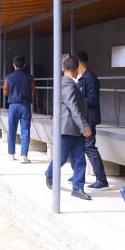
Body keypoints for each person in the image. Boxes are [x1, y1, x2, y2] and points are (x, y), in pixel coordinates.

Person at [45, 57, 93, 201]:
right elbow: (73, 106)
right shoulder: (67, 83)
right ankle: (49, 174)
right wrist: (84, 126)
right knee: (61, 158)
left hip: (74, 129)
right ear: (77, 69)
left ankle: (78, 188)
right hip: (66, 128)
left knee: (79, 160)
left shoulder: (66, 82)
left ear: (63, 68)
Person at [75, 51, 109, 188]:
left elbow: (93, 100)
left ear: (79, 63)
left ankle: (101, 179)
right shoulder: (82, 78)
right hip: (83, 118)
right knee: (78, 147)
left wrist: (77, 101)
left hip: (89, 119)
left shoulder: (90, 78)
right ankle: (78, 174)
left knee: (89, 147)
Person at [3, 56, 36, 164]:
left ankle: (11, 154)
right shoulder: (30, 77)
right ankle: (24, 156)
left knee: (12, 130)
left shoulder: (9, 77)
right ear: (24, 65)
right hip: (25, 106)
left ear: (14, 65)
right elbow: (33, 89)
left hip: (13, 106)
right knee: (25, 131)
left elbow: (5, 92)